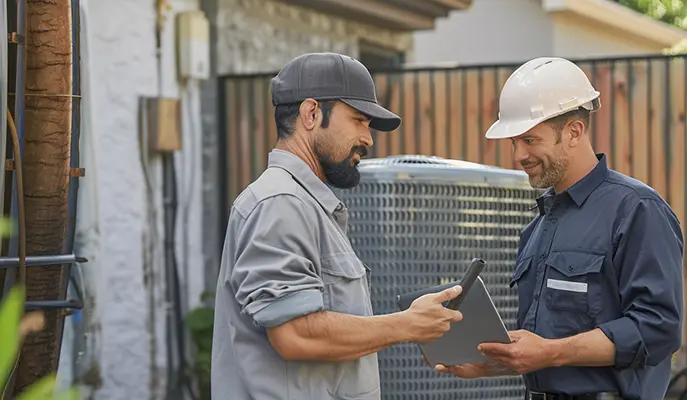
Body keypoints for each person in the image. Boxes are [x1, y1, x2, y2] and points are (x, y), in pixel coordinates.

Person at [210, 52, 464, 400]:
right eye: (359, 120)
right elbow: (295, 333)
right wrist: (406, 325)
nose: (369, 138)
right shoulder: (281, 203)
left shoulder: (305, 204)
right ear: (311, 114)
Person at [434, 57, 684, 400]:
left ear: (574, 132)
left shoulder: (636, 209)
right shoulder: (536, 228)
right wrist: (488, 364)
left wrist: (551, 351)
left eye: (530, 140)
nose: (517, 156)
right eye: (514, 143)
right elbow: (546, 347)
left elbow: (658, 329)